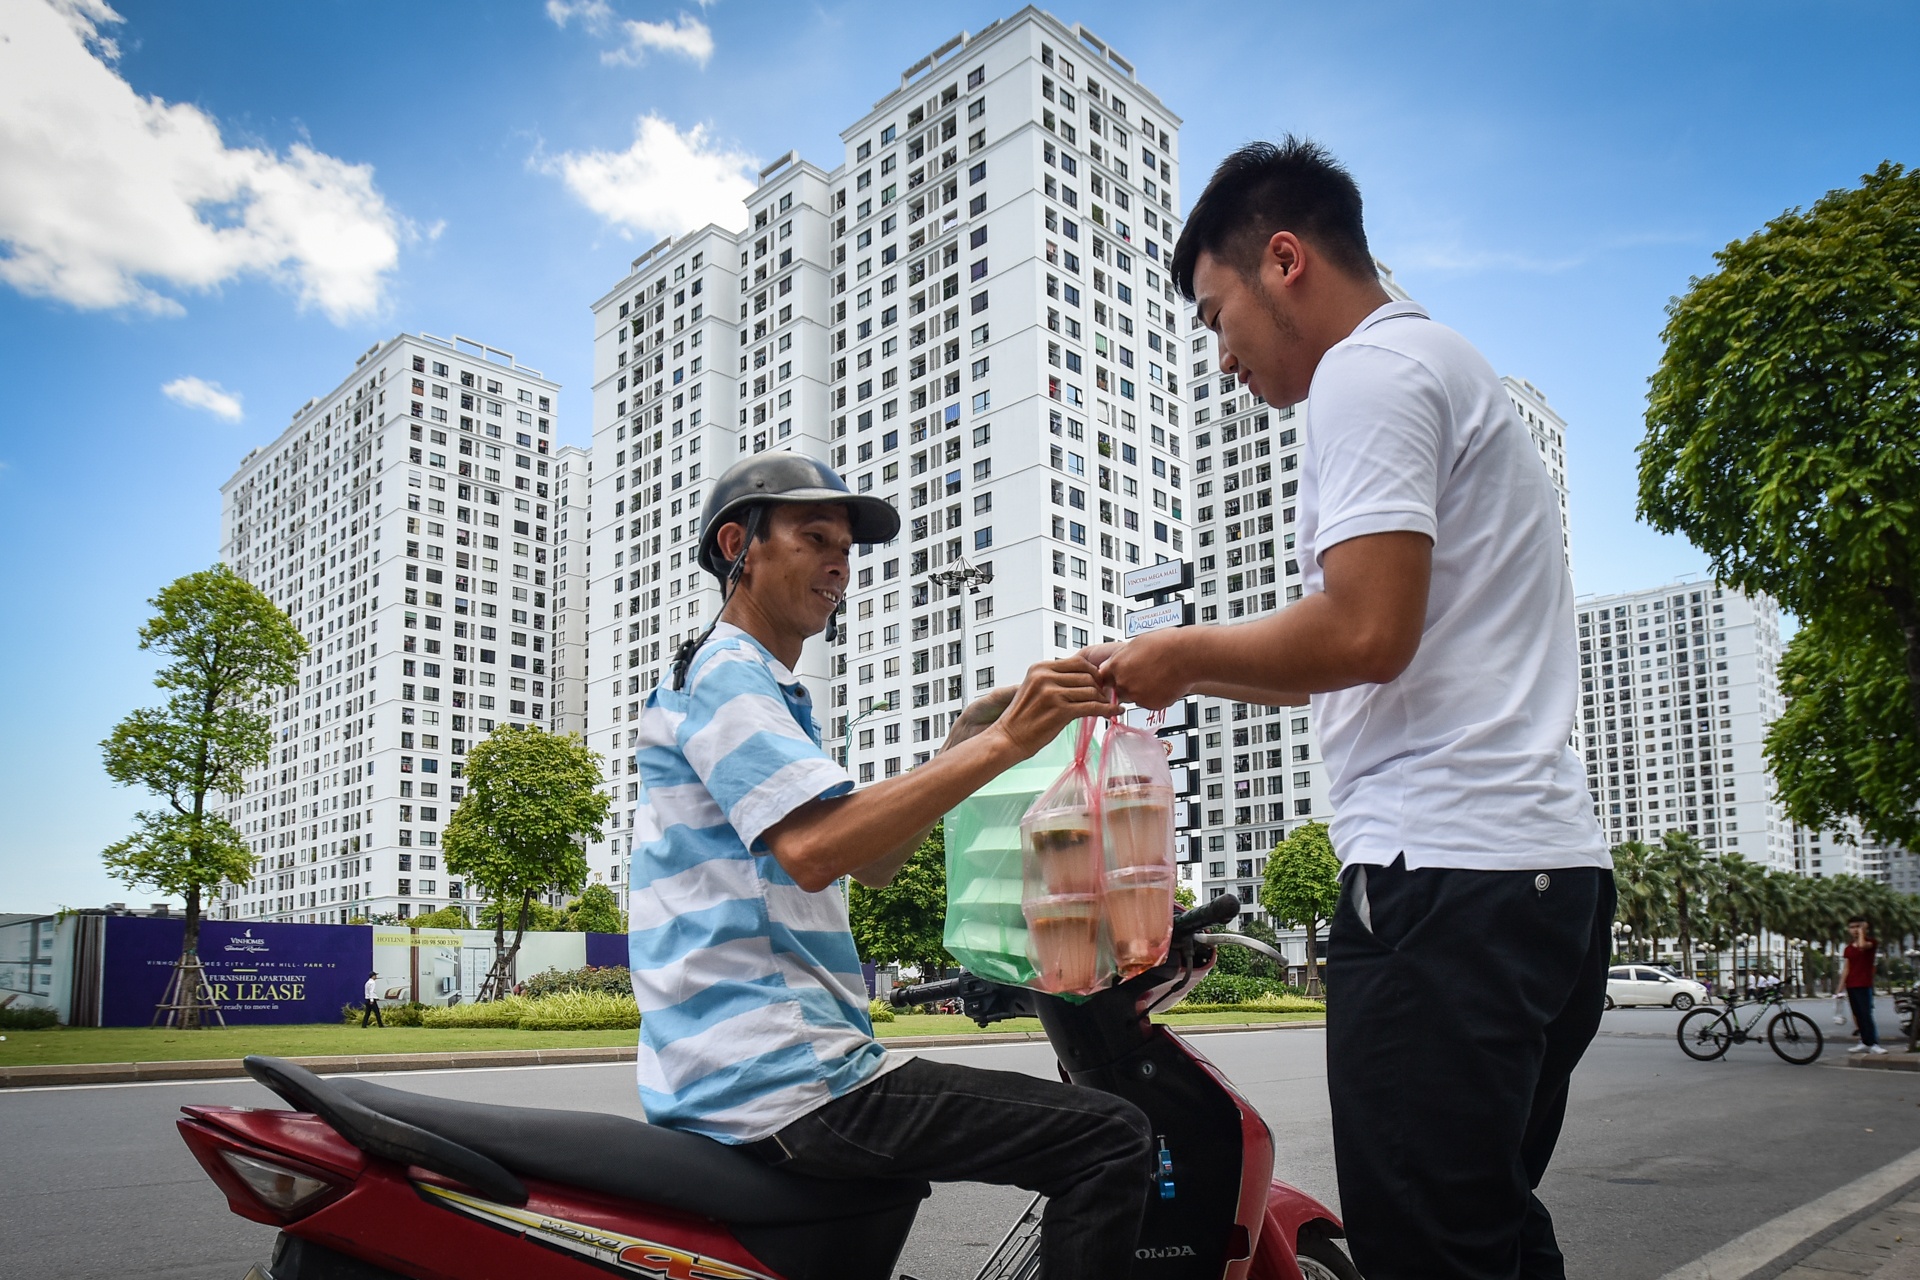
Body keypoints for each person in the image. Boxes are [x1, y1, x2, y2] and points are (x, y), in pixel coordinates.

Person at [1087, 138, 1613, 1280]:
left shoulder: (1367, 373)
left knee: (1431, 1249)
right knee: (1491, 1231)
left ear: (1286, 260)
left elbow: (1366, 631)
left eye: (1217, 316)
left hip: (1444, 878)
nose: (1222, 357)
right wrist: (1182, 664)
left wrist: (1181, 652)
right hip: (1539, 876)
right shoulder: (1445, 363)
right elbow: (1371, 643)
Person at [628, 453, 1152, 1279]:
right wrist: (1010, 741)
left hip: (753, 1076)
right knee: (1111, 1138)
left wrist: (971, 736)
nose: (839, 563)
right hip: (783, 1079)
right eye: (814, 538)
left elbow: (869, 860)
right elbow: (814, 851)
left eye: (846, 548)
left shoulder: (752, 689)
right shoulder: (729, 675)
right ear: (739, 546)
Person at [1843, 917, 1887, 1055]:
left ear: (1864, 928)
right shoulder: (1848, 948)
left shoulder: (1871, 943)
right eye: (1852, 927)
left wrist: (1862, 931)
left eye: (1858, 926)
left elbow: (1862, 946)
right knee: (1857, 1015)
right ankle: (1864, 1041)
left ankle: (1873, 1043)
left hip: (1864, 984)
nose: (1855, 930)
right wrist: (1839, 988)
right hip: (1851, 984)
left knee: (1866, 1014)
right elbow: (1846, 969)